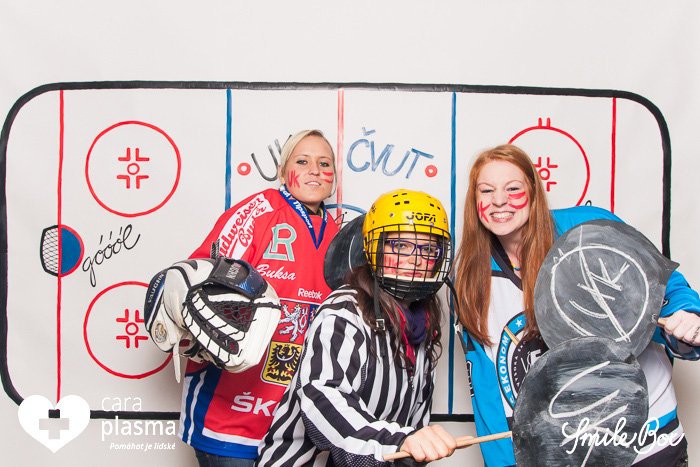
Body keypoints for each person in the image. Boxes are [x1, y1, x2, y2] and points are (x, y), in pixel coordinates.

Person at [453, 144, 700, 467]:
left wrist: (686, 317)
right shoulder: (473, 276)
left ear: (534, 191)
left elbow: (663, 289)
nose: (499, 200)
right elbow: (487, 385)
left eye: (512, 188)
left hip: (647, 445)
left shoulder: (587, 229)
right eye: (487, 190)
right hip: (563, 455)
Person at [257, 189, 458, 466]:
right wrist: (398, 441)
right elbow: (323, 397)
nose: (416, 259)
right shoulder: (344, 311)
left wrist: (413, 447)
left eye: (428, 249)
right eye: (400, 246)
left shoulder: (422, 327)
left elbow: (413, 427)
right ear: (374, 249)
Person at [180, 129, 340, 467]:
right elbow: (197, 284)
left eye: (324, 163)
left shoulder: (338, 234)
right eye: (302, 161)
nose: (315, 170)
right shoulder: (259, 211)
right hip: (230, 415)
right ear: (283, 171)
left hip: (293, 428)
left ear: (334, 178)